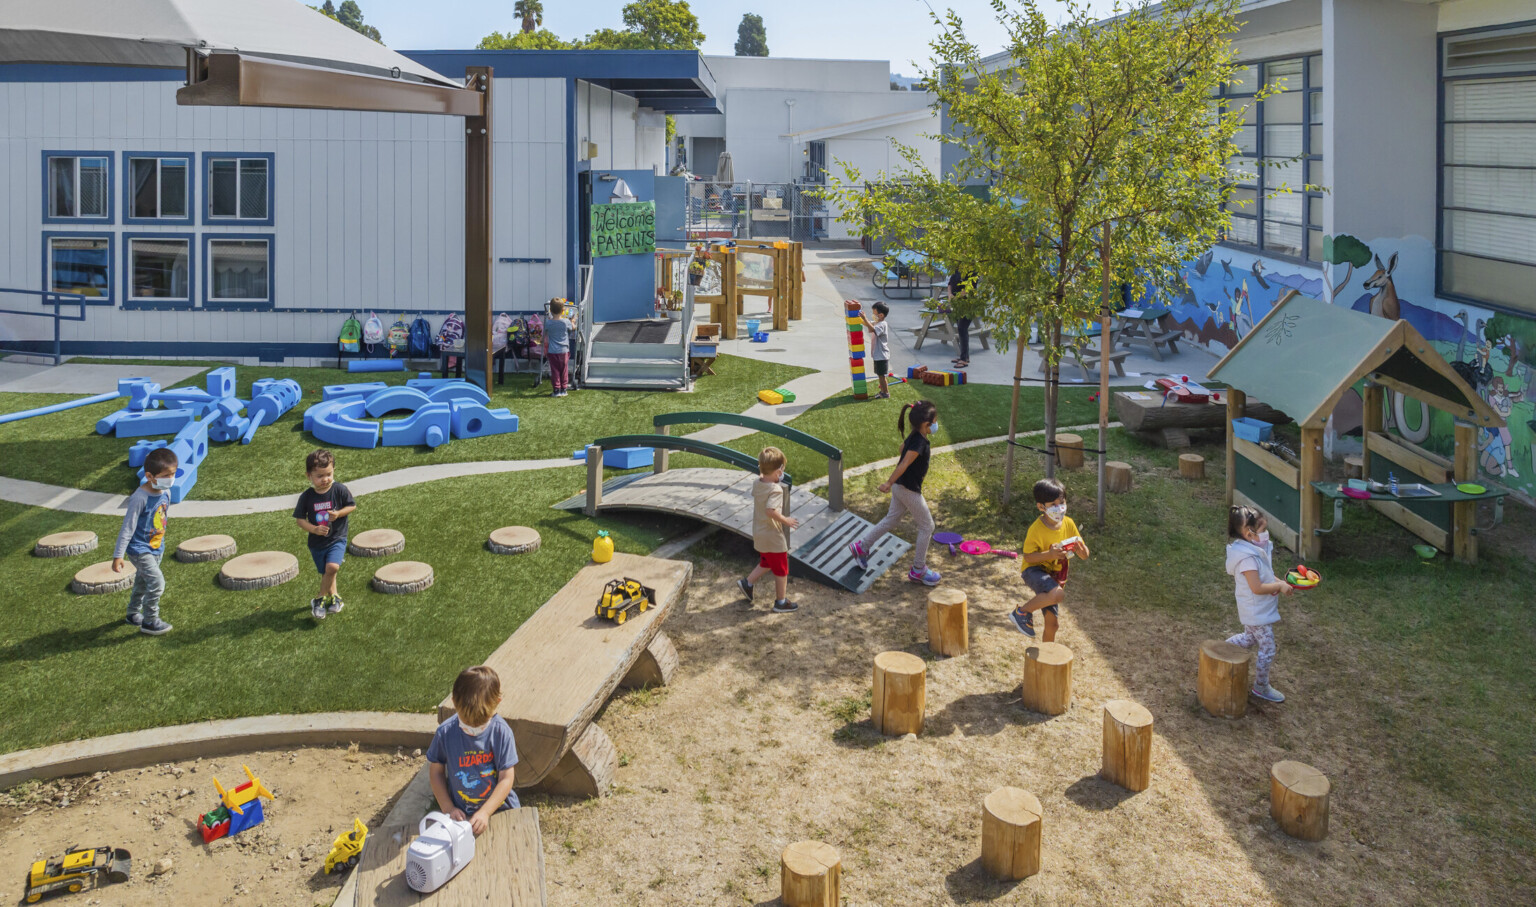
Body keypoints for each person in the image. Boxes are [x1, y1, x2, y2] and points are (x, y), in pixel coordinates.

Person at [849, 400, 941, 586]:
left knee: (892, 519)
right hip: (907, 489)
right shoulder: (920, 443)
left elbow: (901, 449)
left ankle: (862, 547)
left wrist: (894, 483)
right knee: (927, 526)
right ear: (926, 424)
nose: (936, 425)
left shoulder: (915, 436)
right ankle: (918, 569)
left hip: (901, 487)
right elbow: (904, 462)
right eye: (935, 421)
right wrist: (888, 482)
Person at [428, 666, 519, 836]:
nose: (472, 728)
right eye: (466, 723)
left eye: (481, 723)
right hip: (461, 815)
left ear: (497, 703)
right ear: (454, 702)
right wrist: (448, 808)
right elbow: (436, 773)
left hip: (500, 810)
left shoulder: (501, 732)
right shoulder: (445, 733)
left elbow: (506, 777)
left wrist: (485, 812)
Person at [1224, 505, 1292, 703]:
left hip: (1256, 610)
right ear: (1249, 533)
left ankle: (1221, 651)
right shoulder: (1247, 559)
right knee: (1268, 647)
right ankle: (1261, 687)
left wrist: (1280, 582)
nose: (1266, 536)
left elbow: (1267, 576)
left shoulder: (1254, 549)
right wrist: (1278, 587)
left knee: (1249, 639)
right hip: (1255, 612)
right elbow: (1256, 587)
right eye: (1263, 531)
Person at [1011, 478, 1091, 641]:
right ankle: (1022, 612)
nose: (1059, 508)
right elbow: (1028, 557)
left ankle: (1047, 656)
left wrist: (1082, 551)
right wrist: (1050, 554)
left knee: (1052, 624)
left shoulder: (1068, 524)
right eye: (1053, 505)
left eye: (1061, 502)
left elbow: (1084, 554)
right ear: (1041, 507)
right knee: (1058, 594)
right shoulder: (1036, 529)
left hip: (1054, 577)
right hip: (1033, 571)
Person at [112, 446, 179, 636]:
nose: (171, 479)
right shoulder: (139, 498)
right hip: (139, 549)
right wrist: (118, 555)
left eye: (173, 474)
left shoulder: (166, 492)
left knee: (142, 582)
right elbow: (128, 527)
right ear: (150, 476)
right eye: (167, 475)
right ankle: (150, 620)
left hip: (156, 547)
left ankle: (132, 614)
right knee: (157, 582)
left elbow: (161, 519)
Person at [293, 448, 357, 621]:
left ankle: (319, 599)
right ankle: (335, 597)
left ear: (334, 470)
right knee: (327, 572)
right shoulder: (307, 497)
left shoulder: (339, 490)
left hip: (337, 537)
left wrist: (338, 514)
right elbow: (300, 520)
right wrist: (313, 529)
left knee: (332, 567)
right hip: (316, 543)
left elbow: (352, 506)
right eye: (320, 476)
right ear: (309, 476)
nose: (325, 479)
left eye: (328, 474)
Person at [738, 446, 801, 613]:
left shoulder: (757, 483)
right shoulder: (775, 489)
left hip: (759, 532)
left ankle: (748, 583)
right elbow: (770, 511)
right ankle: (781, 602)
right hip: (772, 534)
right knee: (781, 568)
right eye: (782, 470)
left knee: (767, 561)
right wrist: (785, 520)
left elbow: (763, 476)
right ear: (779, 472)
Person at [858, 301, 892, 399]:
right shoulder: (878, 322)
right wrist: (860, 318)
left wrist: (864, 318)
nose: (873, 315)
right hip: (878, 355)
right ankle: (883, 391)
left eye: (874, 314)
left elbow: (873, 329)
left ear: (881, 315)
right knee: (880, 375)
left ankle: (885, 393)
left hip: (882, 355)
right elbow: (867, 324)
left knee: (882, 376)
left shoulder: (882, 324)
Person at [545, 298, 575, 398]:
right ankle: (564, 389)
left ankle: (556, 390)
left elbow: (544, 333)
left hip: (552, 351)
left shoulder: (548, 323)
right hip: (564, 351)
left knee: (555, 371)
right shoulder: (566, 322)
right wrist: (573, 321)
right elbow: (573, 328)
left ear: (550, 310)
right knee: (564, 370)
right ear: (563, 311)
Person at [948, 268, 976, 368]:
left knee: (962, 328)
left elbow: (969, 289)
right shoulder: (956, 269)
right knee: (961, 329)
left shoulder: (972, 271)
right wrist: (950, 295)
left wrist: (956, 297)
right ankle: (964, 356)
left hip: (967, 304)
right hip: (957, 305)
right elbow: (950, 284)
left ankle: (964, 359)